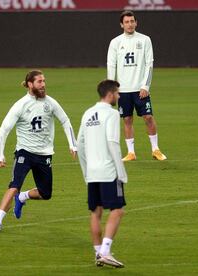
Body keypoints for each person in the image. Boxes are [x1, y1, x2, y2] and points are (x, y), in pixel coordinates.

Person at [0, 70, 77, 232]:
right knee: (15, 185)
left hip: (45, 154)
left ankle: (23, 197)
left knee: (46, 194)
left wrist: (73, 144)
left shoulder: (50, 103)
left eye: (44, 81)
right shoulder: (21, 105)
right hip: (25, 152)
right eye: (39, 82)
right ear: (30, 84)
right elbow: (4, 129)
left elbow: (65, 121)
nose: (43, 85)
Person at [77, 80, 128, 268]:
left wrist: (86, 171)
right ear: (110, 94)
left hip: (92, 172)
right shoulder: (113, 114)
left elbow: (80, 144)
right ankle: (105, 252)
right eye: (118, 93)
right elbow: (113, 143)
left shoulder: (88, 113)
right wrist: (121, 172)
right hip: (108, 171)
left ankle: (98, 253)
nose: (119, 96)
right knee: (117, 209)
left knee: (95, 211)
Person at [107, 10, 167, 161]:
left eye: (132, 21)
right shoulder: (115, 42)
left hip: (140, 89)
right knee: (127, 119)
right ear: (122, 24)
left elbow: (149, 64)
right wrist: (112, 88)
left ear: (136, 22)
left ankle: (155, 149)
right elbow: (111, 65)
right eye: (126, 22)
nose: (130, 24)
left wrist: (145, 86)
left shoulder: (145, 40)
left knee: (148, 117)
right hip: (123, 90)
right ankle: (131, 153)